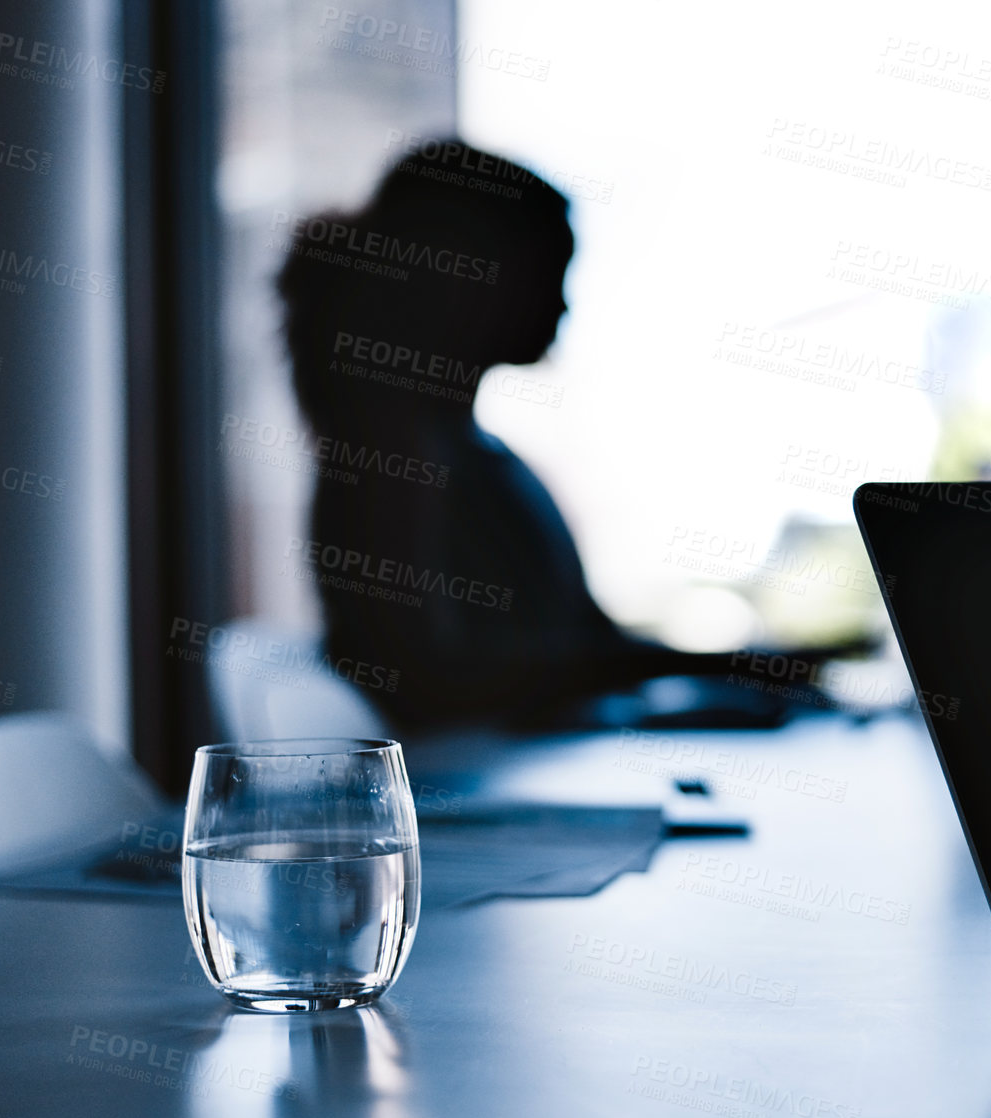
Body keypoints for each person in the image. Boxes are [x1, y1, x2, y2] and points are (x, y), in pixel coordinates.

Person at [277, 139, 852, 731]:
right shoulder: (390, 457)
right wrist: (723, 666)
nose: (562, 306)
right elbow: (430, 677)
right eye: (547, 274)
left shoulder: (473, 452)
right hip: (484, 792)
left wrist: (731, 671)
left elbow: (582, 642)